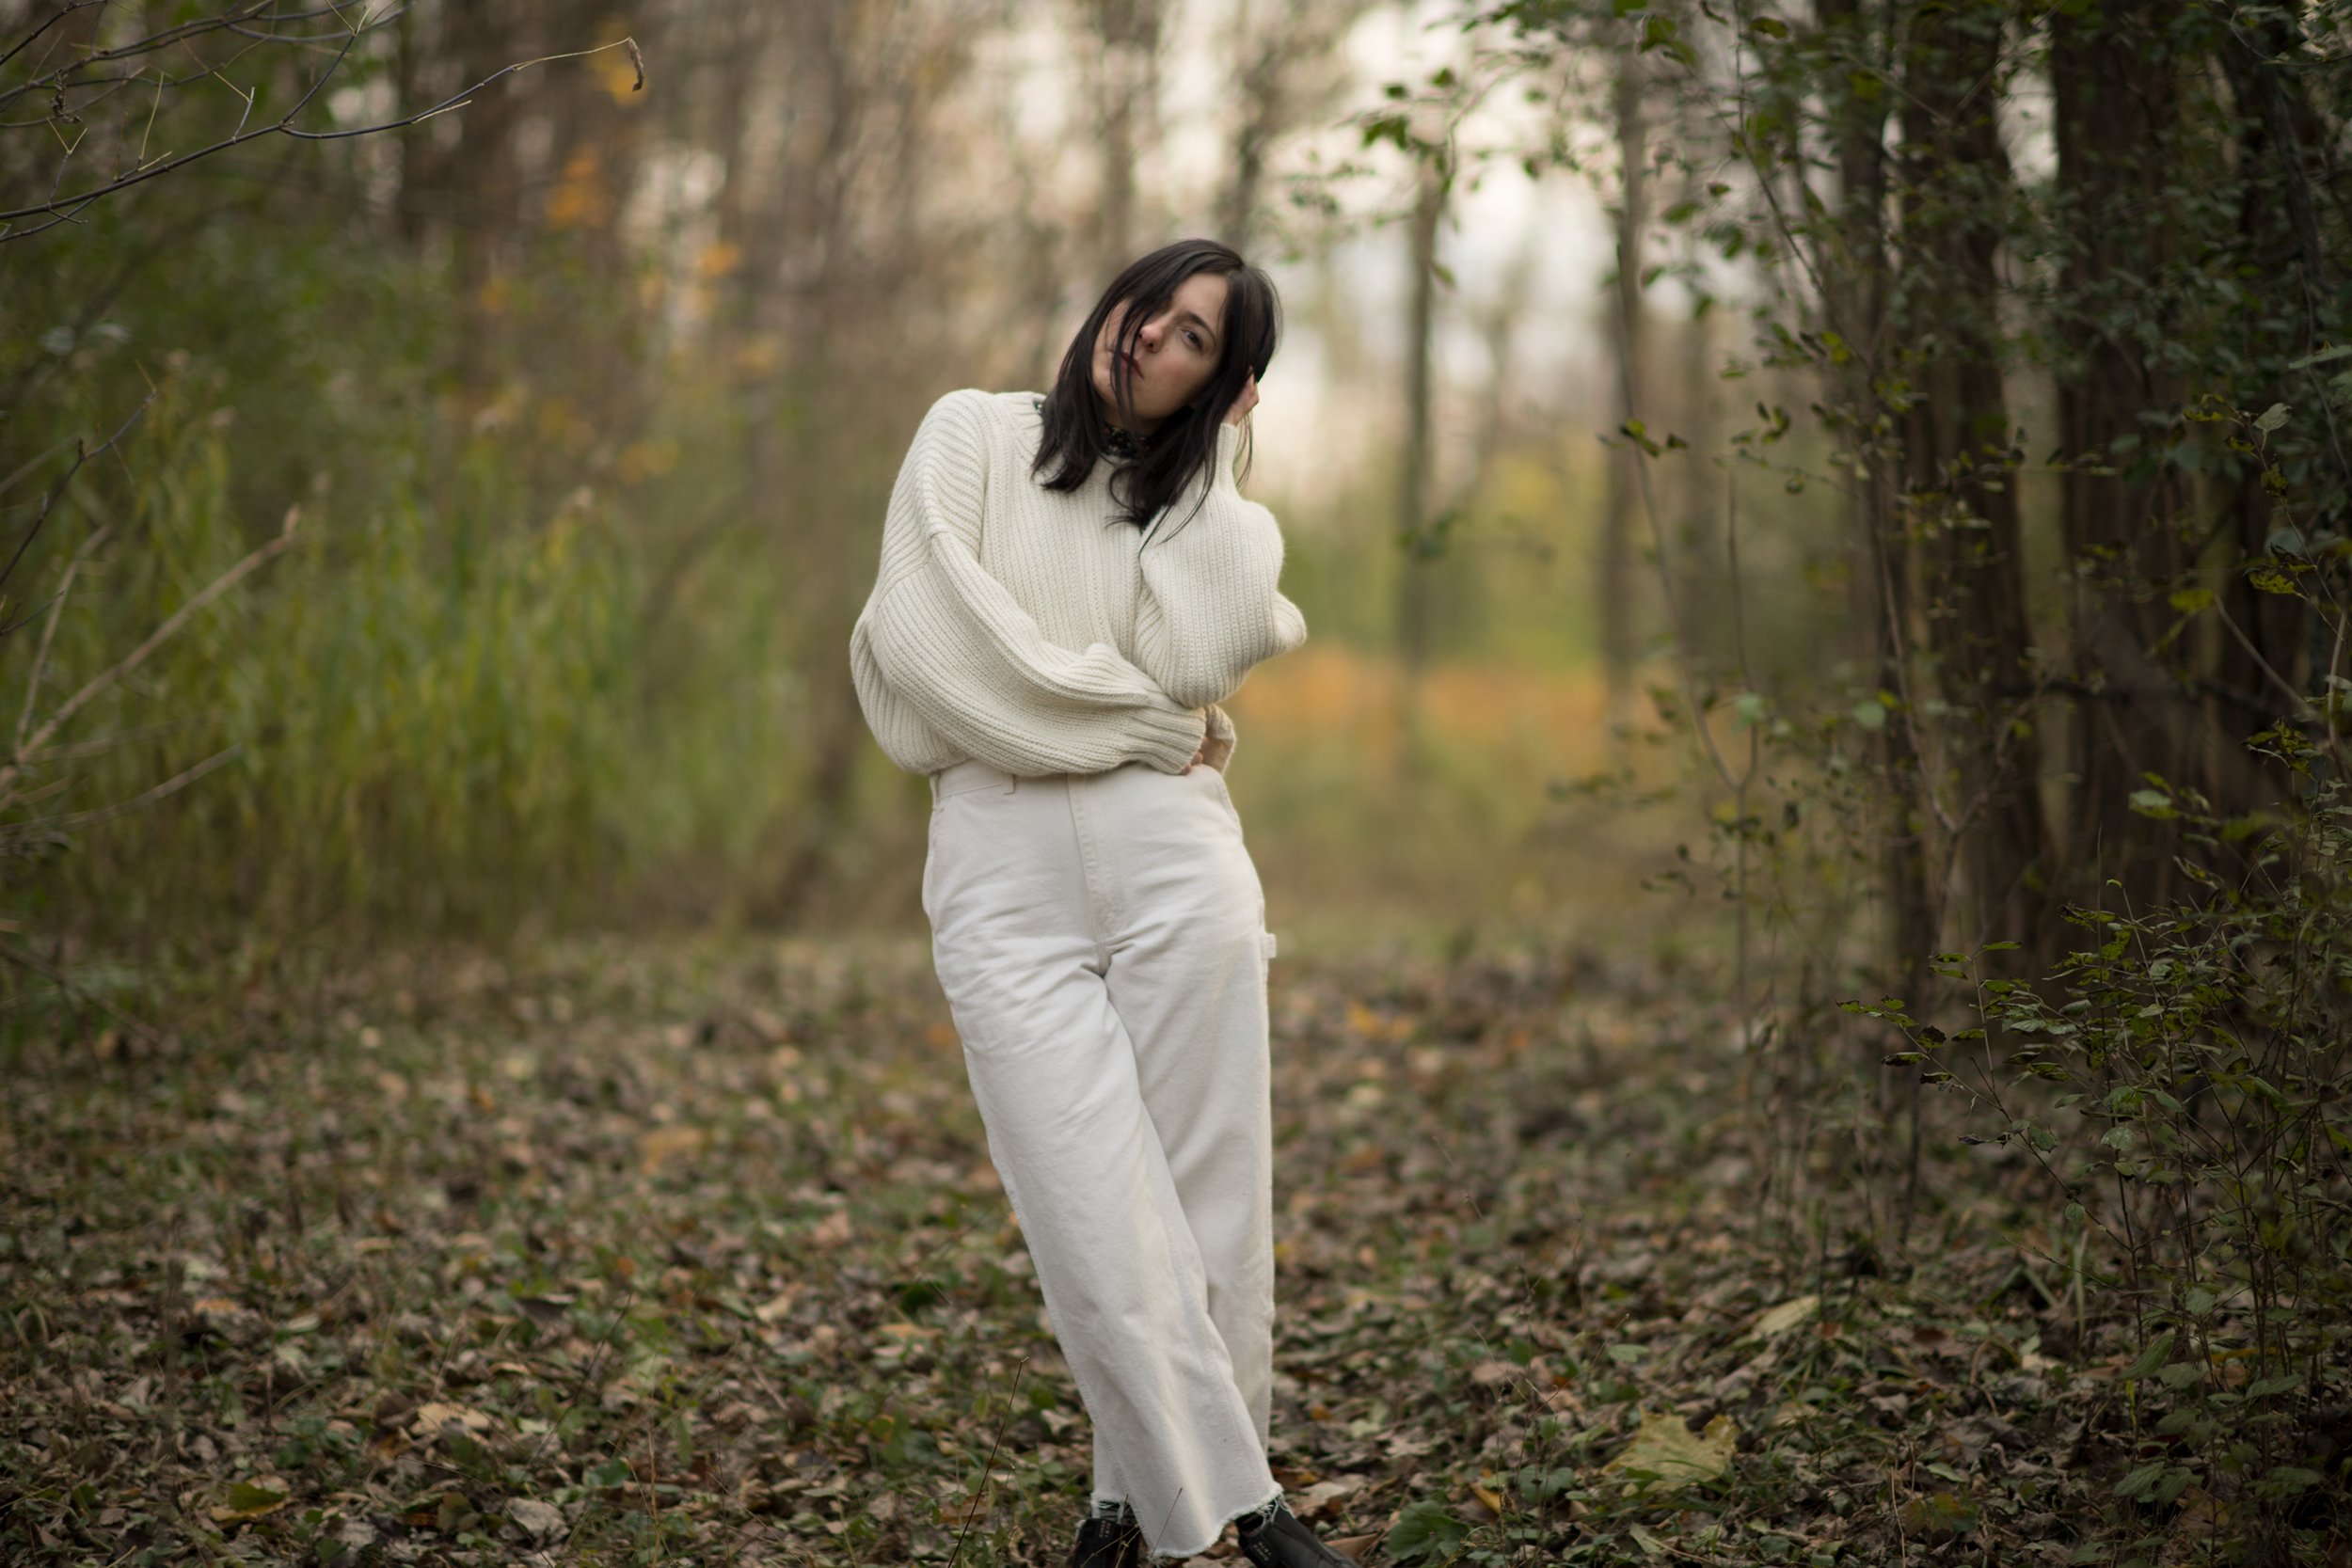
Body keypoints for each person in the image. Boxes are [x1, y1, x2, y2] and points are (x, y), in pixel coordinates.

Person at [848, 238, 1354, 1567]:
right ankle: (1254, 1511)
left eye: (1196, 338)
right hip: (1001, 870)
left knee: (1206, 1202)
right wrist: (1141, 724)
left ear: (1220, 384)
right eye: (1152, 307)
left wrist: (1215, 477)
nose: (1152, 339)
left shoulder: (1201, 511)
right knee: (1084, 1199)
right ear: (1111, 303)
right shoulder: (968, 435)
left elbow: (1205, 650)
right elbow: (938, 649)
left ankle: (1123, 1507)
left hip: (1175, 860)